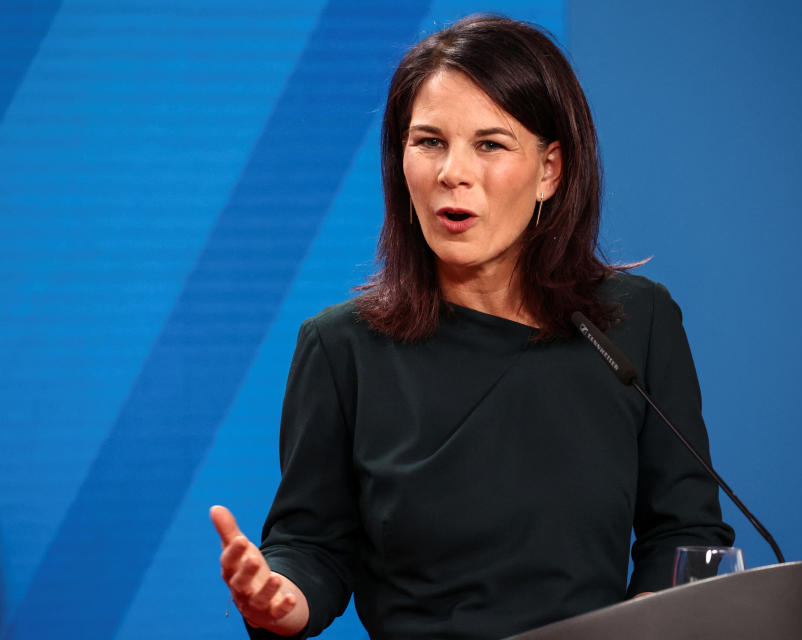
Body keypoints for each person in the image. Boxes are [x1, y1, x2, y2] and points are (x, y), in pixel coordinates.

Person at [211, 14, 734, 640]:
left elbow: (687, 536)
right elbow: (312, 546)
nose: (451, 172)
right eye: (429, 142)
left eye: (489, 144)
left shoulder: (635, 323)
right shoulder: (340, 347)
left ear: (550, 170)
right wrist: (279, 598)